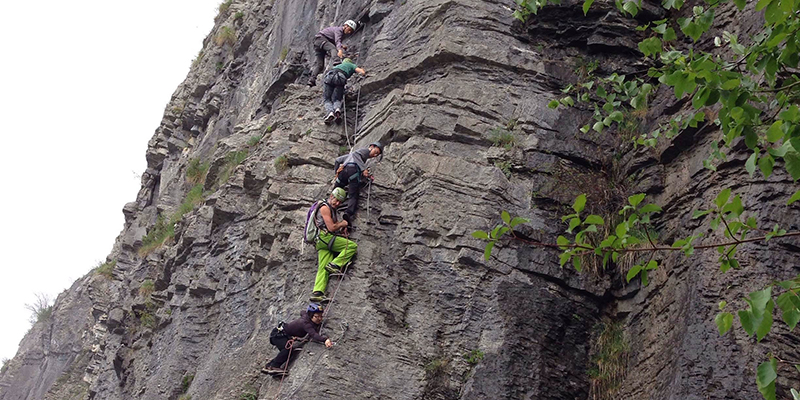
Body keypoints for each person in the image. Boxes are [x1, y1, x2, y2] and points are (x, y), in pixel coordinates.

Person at [309, 187, 358, 303]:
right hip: (325, 238)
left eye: (340, 202)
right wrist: (343, 223)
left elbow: (331, 226)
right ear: (331, 196)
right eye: (336, 200)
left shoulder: (330, 208)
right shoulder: (325, 208)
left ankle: (317, 293)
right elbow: (331, 227)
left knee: (323, 267)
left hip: (321, 242)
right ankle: (336, 264)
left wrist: (340, 229)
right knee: (351, 246)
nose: (337, 203)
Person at [261, 303, 333, 375]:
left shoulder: (306, 316)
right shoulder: (306, 324)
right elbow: (314, 334)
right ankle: (274, 366)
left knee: (289, 351)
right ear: (311, 316)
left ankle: (269, 366)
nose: (320, 319)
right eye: (317, 317)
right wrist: (325, 340)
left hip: (281, 333)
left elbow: (302, 312)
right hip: (279, 335)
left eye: (321, 316)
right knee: (288, 350)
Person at [332, 142, 383, 222]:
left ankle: (330, 206)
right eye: (376, 152)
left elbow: (337, 160)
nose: (375, 155)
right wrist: (363, 169)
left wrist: (336, 173)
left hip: (343, 173)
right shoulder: (366, 151)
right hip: (352, 171)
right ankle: (348, 213)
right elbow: (356, 155)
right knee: (353, 195)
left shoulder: (350, 155)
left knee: (336, 191)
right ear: (372, 147)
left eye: (377, 155)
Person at [308, 20, 357, 87]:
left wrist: (341, 46)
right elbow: (337, 41)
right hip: (321, 39)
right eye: (349, 29)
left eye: (351, 31)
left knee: (320, 65)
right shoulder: (339, 30)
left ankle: (311, 81)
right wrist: (339, 49)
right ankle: (337, 63)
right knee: (333, 49)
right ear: (346, 26)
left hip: (318, 43)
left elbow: (334, 41)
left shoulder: (339, 32)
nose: (349, 32)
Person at [322, 58, 366, 124]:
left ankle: (330, 112)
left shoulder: (338, 65)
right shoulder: (352, 65)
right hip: (340, 77)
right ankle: (337, 109)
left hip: (330, 76)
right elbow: (362, 72)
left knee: (327, 99)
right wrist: (362, 70)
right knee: (337, 98)